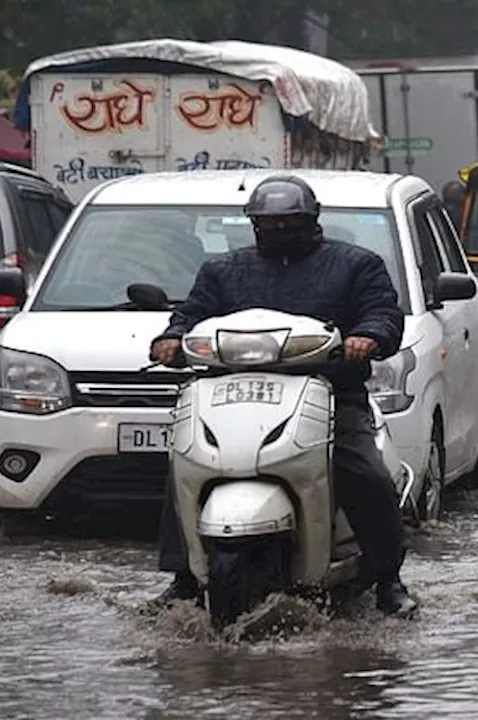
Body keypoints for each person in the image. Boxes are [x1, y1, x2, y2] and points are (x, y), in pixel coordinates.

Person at [148, 175, 418, 617]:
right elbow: (191, 315)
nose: (277, 231)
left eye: (288, 222)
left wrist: (367, 336)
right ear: (253, 225)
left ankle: (388, 577)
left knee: (364, 472)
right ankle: (183, 579)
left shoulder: (356, 265)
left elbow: (382, 313)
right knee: (186, 464)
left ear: (312, 220)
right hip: (233, 393)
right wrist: (172, 339)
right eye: (267, 224)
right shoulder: (223, 270)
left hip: (330, 391)